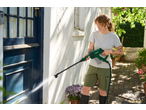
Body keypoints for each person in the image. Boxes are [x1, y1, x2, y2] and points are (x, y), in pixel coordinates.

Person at [80, 14, 124, 104]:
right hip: (93, 66)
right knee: (85, 89)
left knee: (102, 91)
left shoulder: (113, 37)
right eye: (97, 24)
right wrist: (88, 54)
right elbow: (90, 48)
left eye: (100, 24)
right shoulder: (94, 34)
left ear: (106, 24)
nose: (98, 26)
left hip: (105, 68)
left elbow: (121, 51)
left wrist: (110, 51)